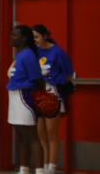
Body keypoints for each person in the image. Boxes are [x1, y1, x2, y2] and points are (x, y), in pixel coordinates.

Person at [32, 24, 73, 174]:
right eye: (32, 37)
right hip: (38, 93)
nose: (34, 40)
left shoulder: (57, 52)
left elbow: (69, 74)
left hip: (53, 93)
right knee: (40, 132)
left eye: (36, 37)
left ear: (45, 36)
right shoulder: (34, 52)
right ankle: (43, 166)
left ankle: (52, 167)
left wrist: (58, 82)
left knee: (51, 132)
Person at [8, 25, 46, 174]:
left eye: (15, 35)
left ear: (24, 38)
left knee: (31, 137)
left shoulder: (28, 55)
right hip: (15, 98)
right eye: (11, 35)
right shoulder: (19, 55)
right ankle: (23, 170)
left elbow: (38, 80)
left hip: (24, 98)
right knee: (22, 137)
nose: (11, 37)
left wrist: (41, 99)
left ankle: (40, 171)